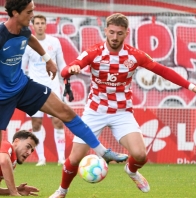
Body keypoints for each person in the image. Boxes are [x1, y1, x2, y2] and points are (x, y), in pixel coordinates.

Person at [48, 13, 196, 198]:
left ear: (126, 33)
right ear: (105, 31)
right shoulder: (94, 52)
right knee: (74, 158)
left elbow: (162, 70)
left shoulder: (134, 55)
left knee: (140, 155)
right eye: (111, 32)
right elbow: (67, 69)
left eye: (119, 33)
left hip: (122, 112)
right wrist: (73, 68)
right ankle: (62, 191)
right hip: (95, 111)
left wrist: (192, 87)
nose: (114, 37)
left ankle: (131, 170)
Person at [0, 0, 128, 167]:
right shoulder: (2, 35)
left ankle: (103, 152)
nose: (32, 15)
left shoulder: (24, 29)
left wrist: (47, 60)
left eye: (33, 11)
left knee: (65, 111)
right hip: (3, 97)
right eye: (29, 12)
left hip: (23, 87)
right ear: (15, 13)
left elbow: (30, 38)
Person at [22, 14, 67, 166]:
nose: (40, 25)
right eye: (37, 23)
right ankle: (41, 158)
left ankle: (61, 158)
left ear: (46, 25)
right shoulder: (28, 44)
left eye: (42, 23)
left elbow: (61, 64)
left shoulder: (54, 42)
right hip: (34, 88)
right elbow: (22, 69)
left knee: (58, 121)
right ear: (32, 26)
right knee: (36, 123)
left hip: (53, 87)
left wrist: (67, 82)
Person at [0, 130, 39, 196]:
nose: (29, 153)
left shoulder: (13, 163)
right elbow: (4, 161)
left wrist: (17, 190)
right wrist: (14, 192)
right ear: (16, 141)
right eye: (28, 147)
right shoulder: (6, 144)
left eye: (32, 150)